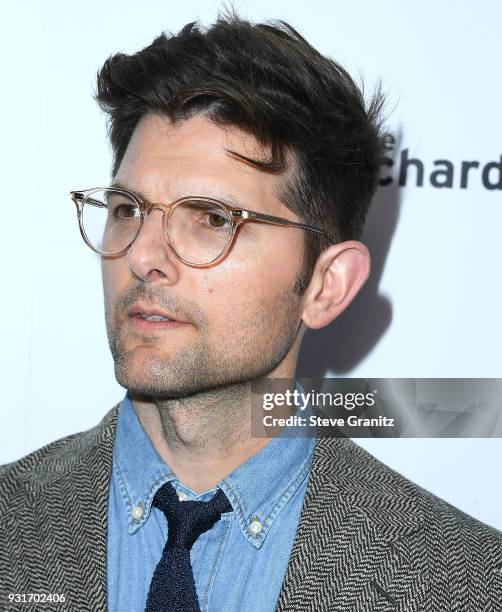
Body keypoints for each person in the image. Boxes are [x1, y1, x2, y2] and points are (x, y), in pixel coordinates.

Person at [1, 12, 501, 612]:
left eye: (214, 219)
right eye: (128, 208)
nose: (143, 256)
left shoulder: (463, 580)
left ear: (326, 284)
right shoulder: (12, 520)